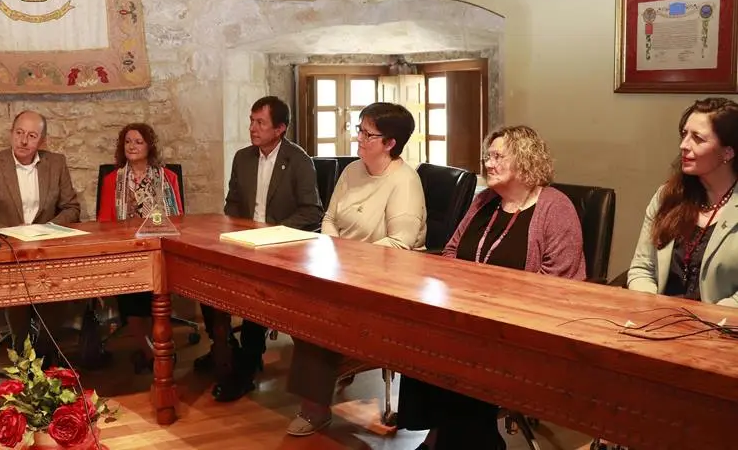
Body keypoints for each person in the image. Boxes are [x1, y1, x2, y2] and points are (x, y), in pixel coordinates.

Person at [396, 125, 585, 450]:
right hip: (469, 318)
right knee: (422, 336)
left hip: (526, 329)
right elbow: (452, 251)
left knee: (464, 359)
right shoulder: (484, 200)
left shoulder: (556, 208)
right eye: (488, 156)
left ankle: (445, 442)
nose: (488, 163)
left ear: (525, 160)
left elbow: (557, 286)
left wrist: (491, 304)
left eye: (498, 156)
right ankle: (441, 437)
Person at [286, 102, 427, 436]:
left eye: (368, 134)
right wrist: (333, 251)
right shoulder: (352, 171)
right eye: (359, 130)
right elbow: (330, 218)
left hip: (387, 279)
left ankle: (314, 408)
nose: (359, 139)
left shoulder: (404, 181)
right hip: (341, 269)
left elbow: (400, 243)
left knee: (317, 317)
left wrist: (348, 261)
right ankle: (317, 390)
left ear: (390, 143)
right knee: (296, 305)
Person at [199, 96, 323, 402]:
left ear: (279, 128)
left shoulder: (299, 160)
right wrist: (234, 233)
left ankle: (247, 363)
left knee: (254, 291)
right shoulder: (243, 157)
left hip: (280, 246)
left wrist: (271, 232)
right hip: (243, 240)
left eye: (260, 123)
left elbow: (312, 212)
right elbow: (232, 204)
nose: (252, 128)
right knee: (203, 277)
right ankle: (224, 345)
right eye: (251, 121)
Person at [0, 110, 81, 365]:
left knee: (55, 294)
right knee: (19, 295)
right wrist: (10, 234)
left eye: (32, 136)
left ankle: (47, 357)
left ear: (42, 141)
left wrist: (48, 229)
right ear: (11, 134)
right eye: (19, 133)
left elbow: (71, 207)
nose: (23, 141)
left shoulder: (55, 163)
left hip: (46, 248)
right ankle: (22, 358)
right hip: (9, 251)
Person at [628, 97, 738, 306]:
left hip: (720, 329)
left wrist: (701, 322)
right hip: (657, 322)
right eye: (684, 134)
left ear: (727, 152)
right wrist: (653, 308)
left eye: (698, 138)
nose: (683, 145)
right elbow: (642, 269)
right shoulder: (667, 197)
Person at [97, 123, 183, 371]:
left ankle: (155, 350)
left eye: (138, 142)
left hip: (158, 251)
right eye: (128, 142)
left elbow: (178, 219)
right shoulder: (113, 180)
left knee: (156, 298)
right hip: (126, 252)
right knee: (131, 300)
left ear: (149, 146)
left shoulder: (168, 178)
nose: (132, 146)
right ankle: (153, 352)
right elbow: (104, 222)